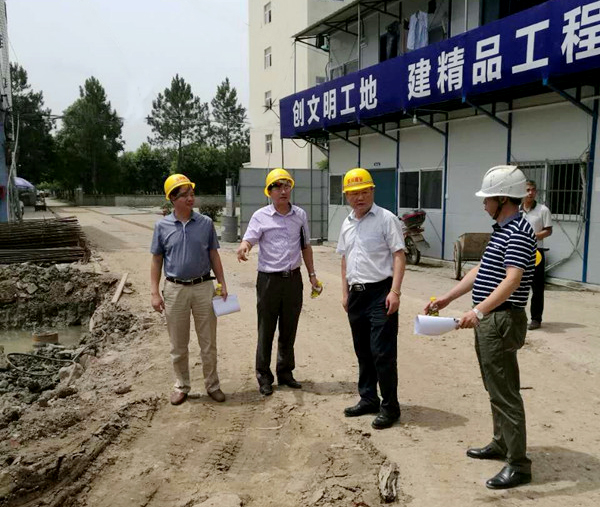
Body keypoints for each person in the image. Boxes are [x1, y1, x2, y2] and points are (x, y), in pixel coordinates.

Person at [424, 165, 536, 489]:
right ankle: (501, 442)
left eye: (487, 198)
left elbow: (512, 280)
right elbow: (481, 271)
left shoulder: (518, 232)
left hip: (501, 319)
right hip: (492, 319)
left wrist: (479, 311)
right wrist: (447, 298)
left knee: (505, 392)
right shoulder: (502, 229)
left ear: (503, 199)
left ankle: (519, 465)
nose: (483, 204)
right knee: (494, 387)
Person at [237, 168, 321, 396]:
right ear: (269, 191)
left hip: (293, 279)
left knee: (289, 328)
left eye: (286, 186)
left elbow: (305, 246)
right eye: (277, 187)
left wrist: (312, 275)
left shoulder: (300, 215)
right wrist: (244, 247)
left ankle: (285, 372)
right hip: (269, 281)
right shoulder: (260, 216)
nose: (283, 191)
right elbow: (249, 239)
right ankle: (264, 376)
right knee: (266, 329)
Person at [337, 168, 406, 430]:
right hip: (356, 295)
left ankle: (390, 407)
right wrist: (345, 293)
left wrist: (395, 292)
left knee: (382, 352)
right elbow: (345, 258)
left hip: (381, 293)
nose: (359, 198)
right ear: (346, 196)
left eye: (364, 192)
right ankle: (368, 398)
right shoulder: (347, 223)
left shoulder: (387, 219)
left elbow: (399, 255)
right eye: (353, 193)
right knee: (363, 351)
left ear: (372, 191)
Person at [150, 174, 228, 406]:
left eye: (192, 193)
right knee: (178, 344)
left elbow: (214, 254)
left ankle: (212, 385)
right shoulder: (162, 226)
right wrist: (154, 292)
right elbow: (156, 260)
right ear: (172, 198)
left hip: (204, 287)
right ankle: (181, 386)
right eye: (184, 195)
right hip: (174, 290)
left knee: (208, 342)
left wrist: (222, 283)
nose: (190, 198)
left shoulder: (205, 224)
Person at [521, 180, 552, 330]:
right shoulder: (515, 209)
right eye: (527, 190)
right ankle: (516, 317)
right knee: (514, 285)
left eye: (533, 190)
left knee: (537, 288)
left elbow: (548, 230)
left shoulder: (543, 210)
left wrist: (535, 236)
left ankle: (536, 319)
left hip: (536, 252)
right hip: (518, 251)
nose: (530, 193)